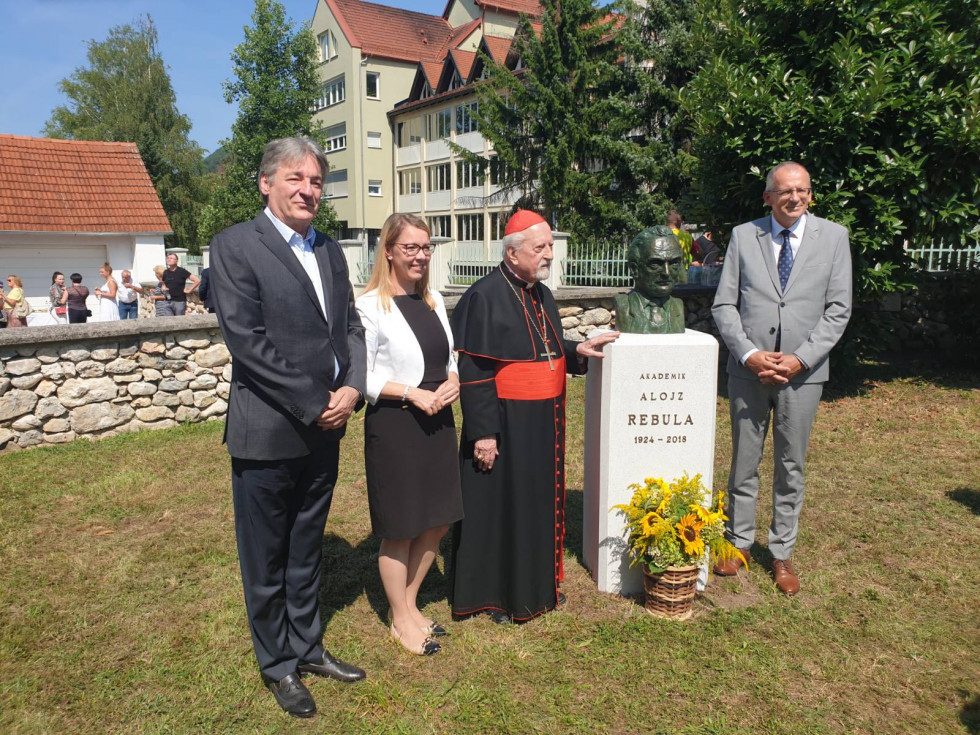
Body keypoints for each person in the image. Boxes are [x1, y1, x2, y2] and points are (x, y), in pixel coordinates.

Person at [209, 137, 367, 718]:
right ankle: (277, 664)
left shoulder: (328, 249)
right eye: (295, 178)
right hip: (270, 430)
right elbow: (248, 344)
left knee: (306, 550)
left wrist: (351, 386)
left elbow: (351, 325)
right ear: (266, 183)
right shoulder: (233, 247)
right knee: (266, 555)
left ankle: (308, 647)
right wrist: (315, 401)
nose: (308, 190)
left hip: (325, 427)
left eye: (316, 181)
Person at [449, 209, 619, 624]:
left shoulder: (539, 291)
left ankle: (536, 586)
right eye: (539, 248)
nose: (548, 255)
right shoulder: (483, 296)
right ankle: (494, 596)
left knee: (535, 503)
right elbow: (475, 372)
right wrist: (484, 434)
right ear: (512, 254)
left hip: (544, 422)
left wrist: (576, 350)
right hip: (504, 424)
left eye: (549, 247)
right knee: (501, 508)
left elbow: (546, 343)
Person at [711, 161, 852, 595]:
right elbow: (724, 306)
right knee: (744, 462)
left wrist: (801, 360)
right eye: (786, 191)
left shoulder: (834, 237)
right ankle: (737, 543)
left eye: (803, 190)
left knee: (791, 464)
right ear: (768, 196)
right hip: (749, 373)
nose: (795, 198)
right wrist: (751, 355)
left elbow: (838, 309)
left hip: (802, 376)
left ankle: (781, 551)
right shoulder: (743, 236)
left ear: (810, 194)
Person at [356, 213, 463, 657]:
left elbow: (450, 355)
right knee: (401, 527)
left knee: (437, 519)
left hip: (438, 421)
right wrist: (413, 394)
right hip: (397, 424)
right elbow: (361, 377)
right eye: (410, 248)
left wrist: (454, 378)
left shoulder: (435, 298)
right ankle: (400, 618)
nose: (420, 255)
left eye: (426, 247)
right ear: (389, 252)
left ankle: (412, 603)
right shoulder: (368, 306)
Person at [613, 225, 687, 334]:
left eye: (674, 263)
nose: (666, 273)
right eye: (655, 264)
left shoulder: (678, 306)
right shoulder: (623, 305)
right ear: (635, 269)